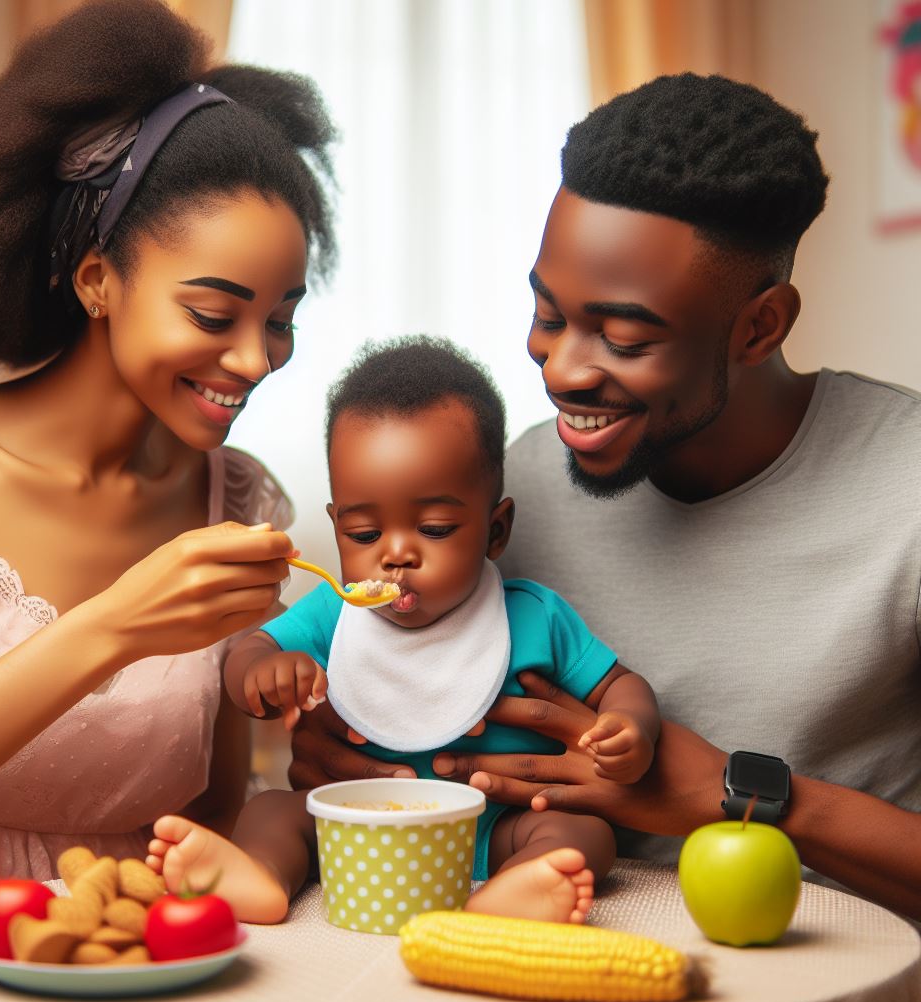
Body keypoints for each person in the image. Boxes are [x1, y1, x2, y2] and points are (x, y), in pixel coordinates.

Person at [287, 74, 921, 922]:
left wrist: (739, 794)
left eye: (623, 337)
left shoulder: (903, 489)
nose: (562, 370)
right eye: (547, 314)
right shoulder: (505, 495)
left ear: (761, 326)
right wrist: (350, 737)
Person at [0, 0, 337, 920]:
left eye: (281, 320)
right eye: (215, 316)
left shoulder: (238, 500)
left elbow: (209, 813)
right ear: (97, 278)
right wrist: (114, 628)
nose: (257, 361)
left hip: (136, 965)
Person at [144, 337, 661, 925]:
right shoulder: (335, 616)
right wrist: (262, 674)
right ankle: (260, 876)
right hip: (351, 831)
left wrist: (631, 727)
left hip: (495, 831)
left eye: (435, 529)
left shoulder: (532, 616)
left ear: (496, 531)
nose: (394, 556)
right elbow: (247, 654)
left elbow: (620, 685)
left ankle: (516, 892)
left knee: (583, 833)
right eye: (364, 536)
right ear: (336, 527)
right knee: (272, 813)